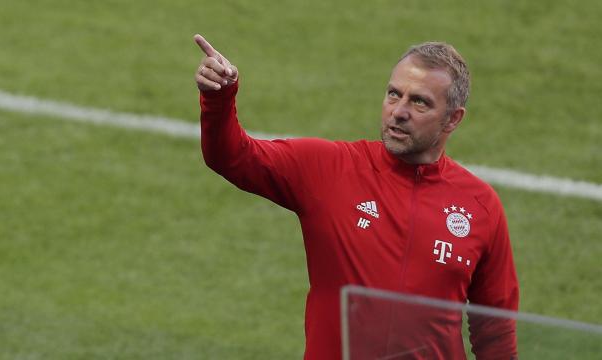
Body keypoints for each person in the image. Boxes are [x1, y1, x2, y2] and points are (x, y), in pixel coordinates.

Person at [194, 34, 519, 359]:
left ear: (453, 118)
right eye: (394, 94)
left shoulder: (480, 207)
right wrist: (219, 99)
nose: (399, 112)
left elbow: (496, 332)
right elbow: (233, 156)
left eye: (419, 102)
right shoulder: (329, 168)